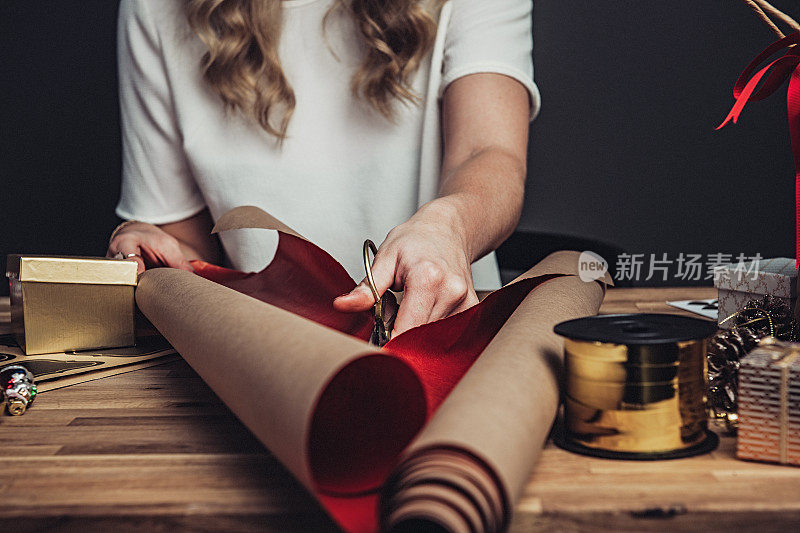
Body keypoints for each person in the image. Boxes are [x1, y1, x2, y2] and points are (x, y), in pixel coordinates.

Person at [107, 0, 539, 335]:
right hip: (259, 356)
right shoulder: (156, 8)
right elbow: (188, 247)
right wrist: (154, 249)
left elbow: (488, 153)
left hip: (448, 341)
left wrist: (451, 226)